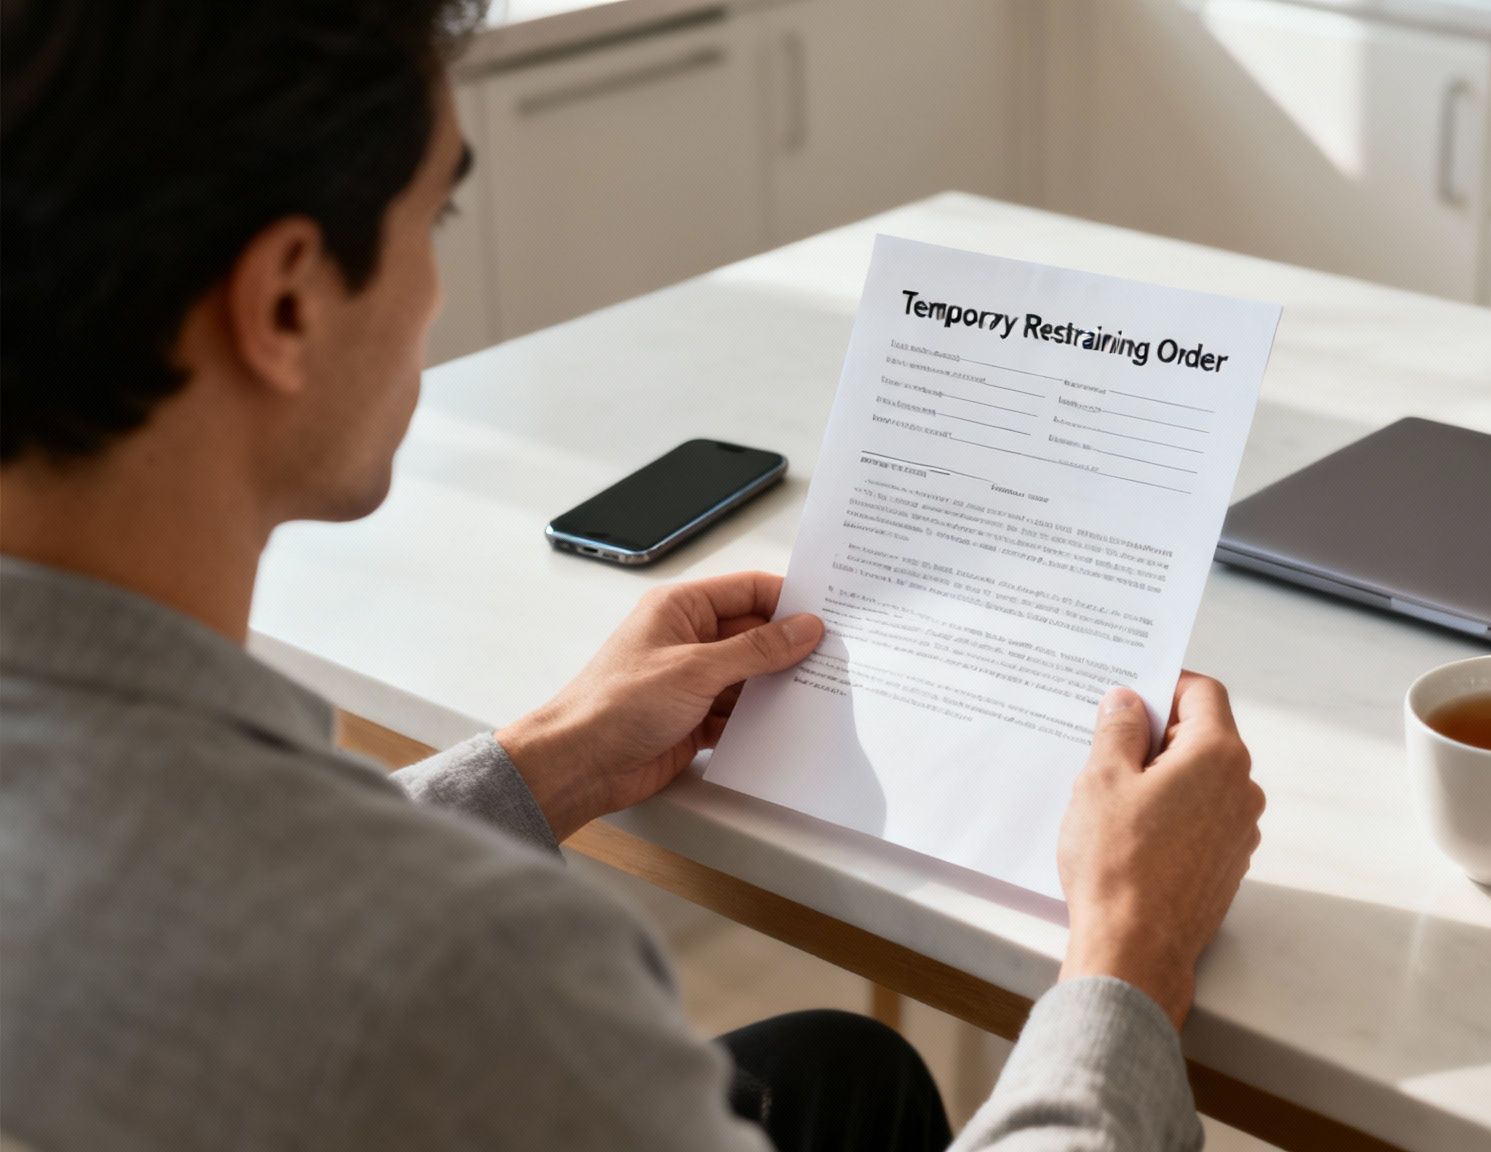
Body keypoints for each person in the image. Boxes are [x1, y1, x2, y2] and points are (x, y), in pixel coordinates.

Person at [0, 2, 1267, 1150]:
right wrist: (1127, 953)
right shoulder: (464, 976)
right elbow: (340, 945)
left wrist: (550, 756)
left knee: (833, 1075)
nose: (435, 285)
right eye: (432, 217)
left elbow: (238, 913)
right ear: (284, 303)